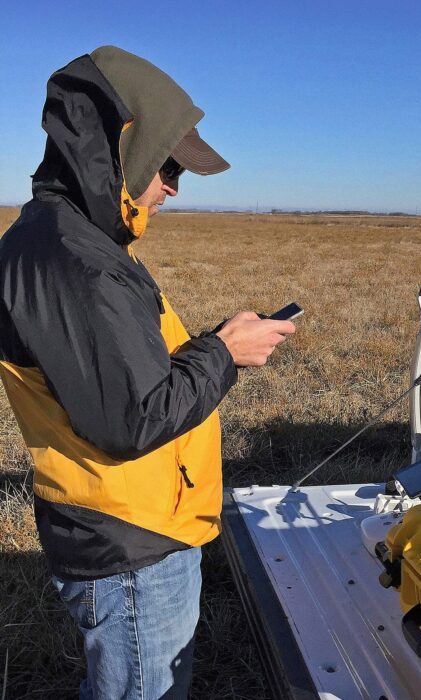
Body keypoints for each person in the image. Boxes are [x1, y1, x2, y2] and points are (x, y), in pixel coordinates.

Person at [0, 46, 295, 699]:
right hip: (132, 544)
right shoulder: (77, 260)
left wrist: (215, 340)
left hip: (128, 527)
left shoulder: (69, 240)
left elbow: (124, 379)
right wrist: (226, 353)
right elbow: (132, 418)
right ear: (115, 149)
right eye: (166, 166)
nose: (172, 187)